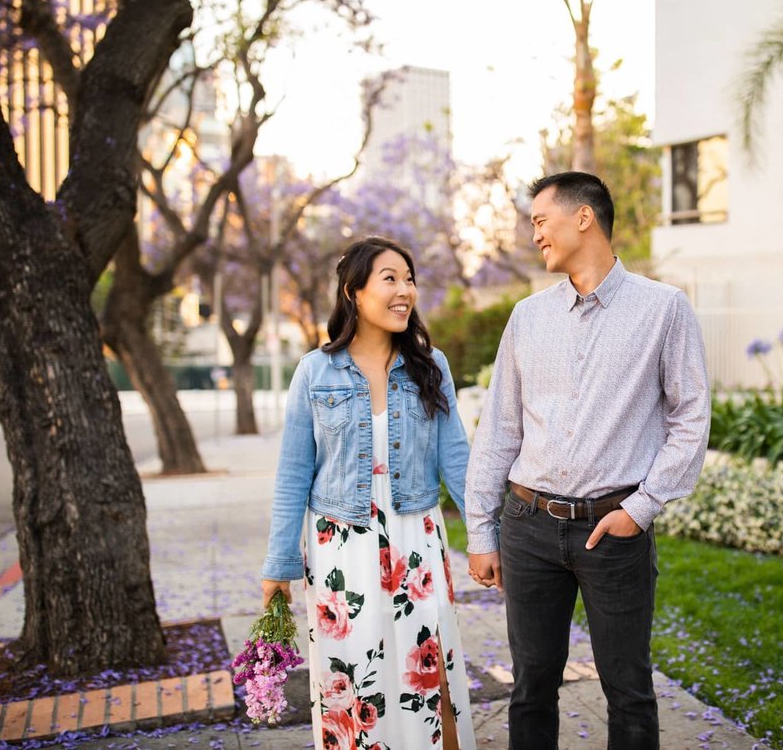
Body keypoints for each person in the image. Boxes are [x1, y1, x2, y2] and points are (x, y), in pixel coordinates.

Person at [465, 171, 711, 749]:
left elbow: (691, 417)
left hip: (614, 532)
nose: (535, 237)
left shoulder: (664, 309)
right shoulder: (527, 316)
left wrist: (642, 508)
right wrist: (481, 529)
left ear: (584, 217)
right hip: (527, 528)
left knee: (628, 690)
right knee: (531, 687)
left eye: (540, 221)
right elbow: (500, 428)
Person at [261, 236, 477, 750]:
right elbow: (293, 473)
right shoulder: (315, 371)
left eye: (409, 279)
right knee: (353, 686)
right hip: (340, 547)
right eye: (390, 279)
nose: (405, 290)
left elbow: (458, 460)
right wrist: (278, 565)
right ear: (354, 292)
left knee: (433, 676)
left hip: (417, 540)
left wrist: (489, 539)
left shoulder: (431, 365)